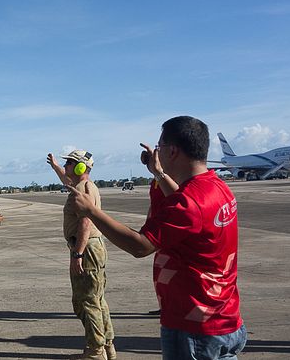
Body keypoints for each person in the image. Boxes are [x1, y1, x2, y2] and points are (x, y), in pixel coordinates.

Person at [66, 116, 246, 359]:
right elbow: (185, 206)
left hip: (193, 327)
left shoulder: (189, 203)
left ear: (173, 151)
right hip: (223, 317)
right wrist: (158, 173)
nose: (156, 151)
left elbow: (140, 246)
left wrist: (92, 211)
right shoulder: (216, 187)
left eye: (159, 146)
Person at [47, 151, 116, 360]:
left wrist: (77, 254)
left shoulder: (83, 190)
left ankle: (96, 351)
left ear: (80, 167)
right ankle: (107, 347)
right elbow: (65, 178)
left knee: (86, 302)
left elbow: (86, 222)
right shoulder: (83, 186)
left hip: (86, 248)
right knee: (97, 299)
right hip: (90, 247)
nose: (67, 166)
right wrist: (55, 166)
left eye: (70, 163)